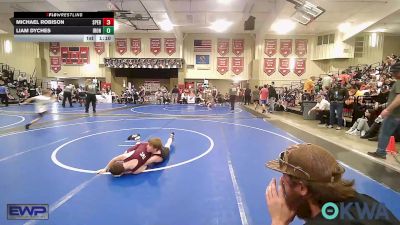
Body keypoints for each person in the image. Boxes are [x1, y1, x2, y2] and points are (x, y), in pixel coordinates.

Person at [265, 143, 399, 225]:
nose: (281, 183)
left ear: (302, 188)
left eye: (285, 178)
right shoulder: (364, 201)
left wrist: (279, 222)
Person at [97, 132, 175, 176]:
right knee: (135, 148)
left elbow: (146, 164)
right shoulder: (128, 158)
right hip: (141, 148)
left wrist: (105, 169)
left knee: (167, 145)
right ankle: (137, 139)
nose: (147, 145)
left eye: (149, 145)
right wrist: (106, 169)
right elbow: (114, 159)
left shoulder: (156, 157)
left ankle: (171, 137)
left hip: (160, 153)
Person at [368, 61, 400, 159]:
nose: (392, 74)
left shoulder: (399, 82)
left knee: (384, 132)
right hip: (396, 114)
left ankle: (381, 152)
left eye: (394, 72)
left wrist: (388, 110)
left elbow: (399, 98)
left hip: (394, 114)